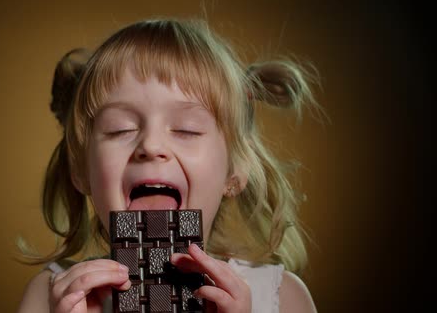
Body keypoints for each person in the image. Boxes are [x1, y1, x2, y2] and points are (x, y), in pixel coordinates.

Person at [17, 18, 321, 313]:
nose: (151, 146)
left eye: (187, 128)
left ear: (235, 169)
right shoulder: (51, 295)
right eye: (119, 129)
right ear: (81, 169)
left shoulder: (281, 296)